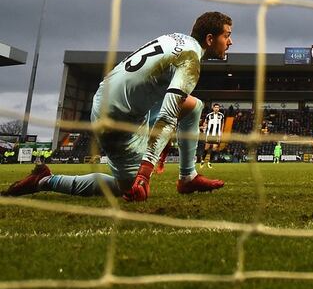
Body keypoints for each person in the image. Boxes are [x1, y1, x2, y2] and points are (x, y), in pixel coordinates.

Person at [3, 12, 232, 201]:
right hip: (115, 119)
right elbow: (168, 114)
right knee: (129, 190)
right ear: (210, 39)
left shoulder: (175, 38)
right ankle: (44, 180)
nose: (230, 42)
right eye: (227, 36)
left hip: (116, 100)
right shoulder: (191, 60)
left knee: (194, 105)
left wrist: (164, 141)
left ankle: (187, 178)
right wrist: (145, 171)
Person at [199, 103, 225, 169]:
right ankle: (202, 161)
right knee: (206, 148)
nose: (216, 108)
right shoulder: (209, 115)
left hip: (217, 134)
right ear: (213, 108)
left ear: (219, 108)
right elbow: (205, 123)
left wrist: (221, 132)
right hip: (209, 134)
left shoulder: (221, 115)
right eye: (215, 107)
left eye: (218, 107)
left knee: (214, 148)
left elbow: (222, 124)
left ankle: (209, 162)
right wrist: (204, 127)